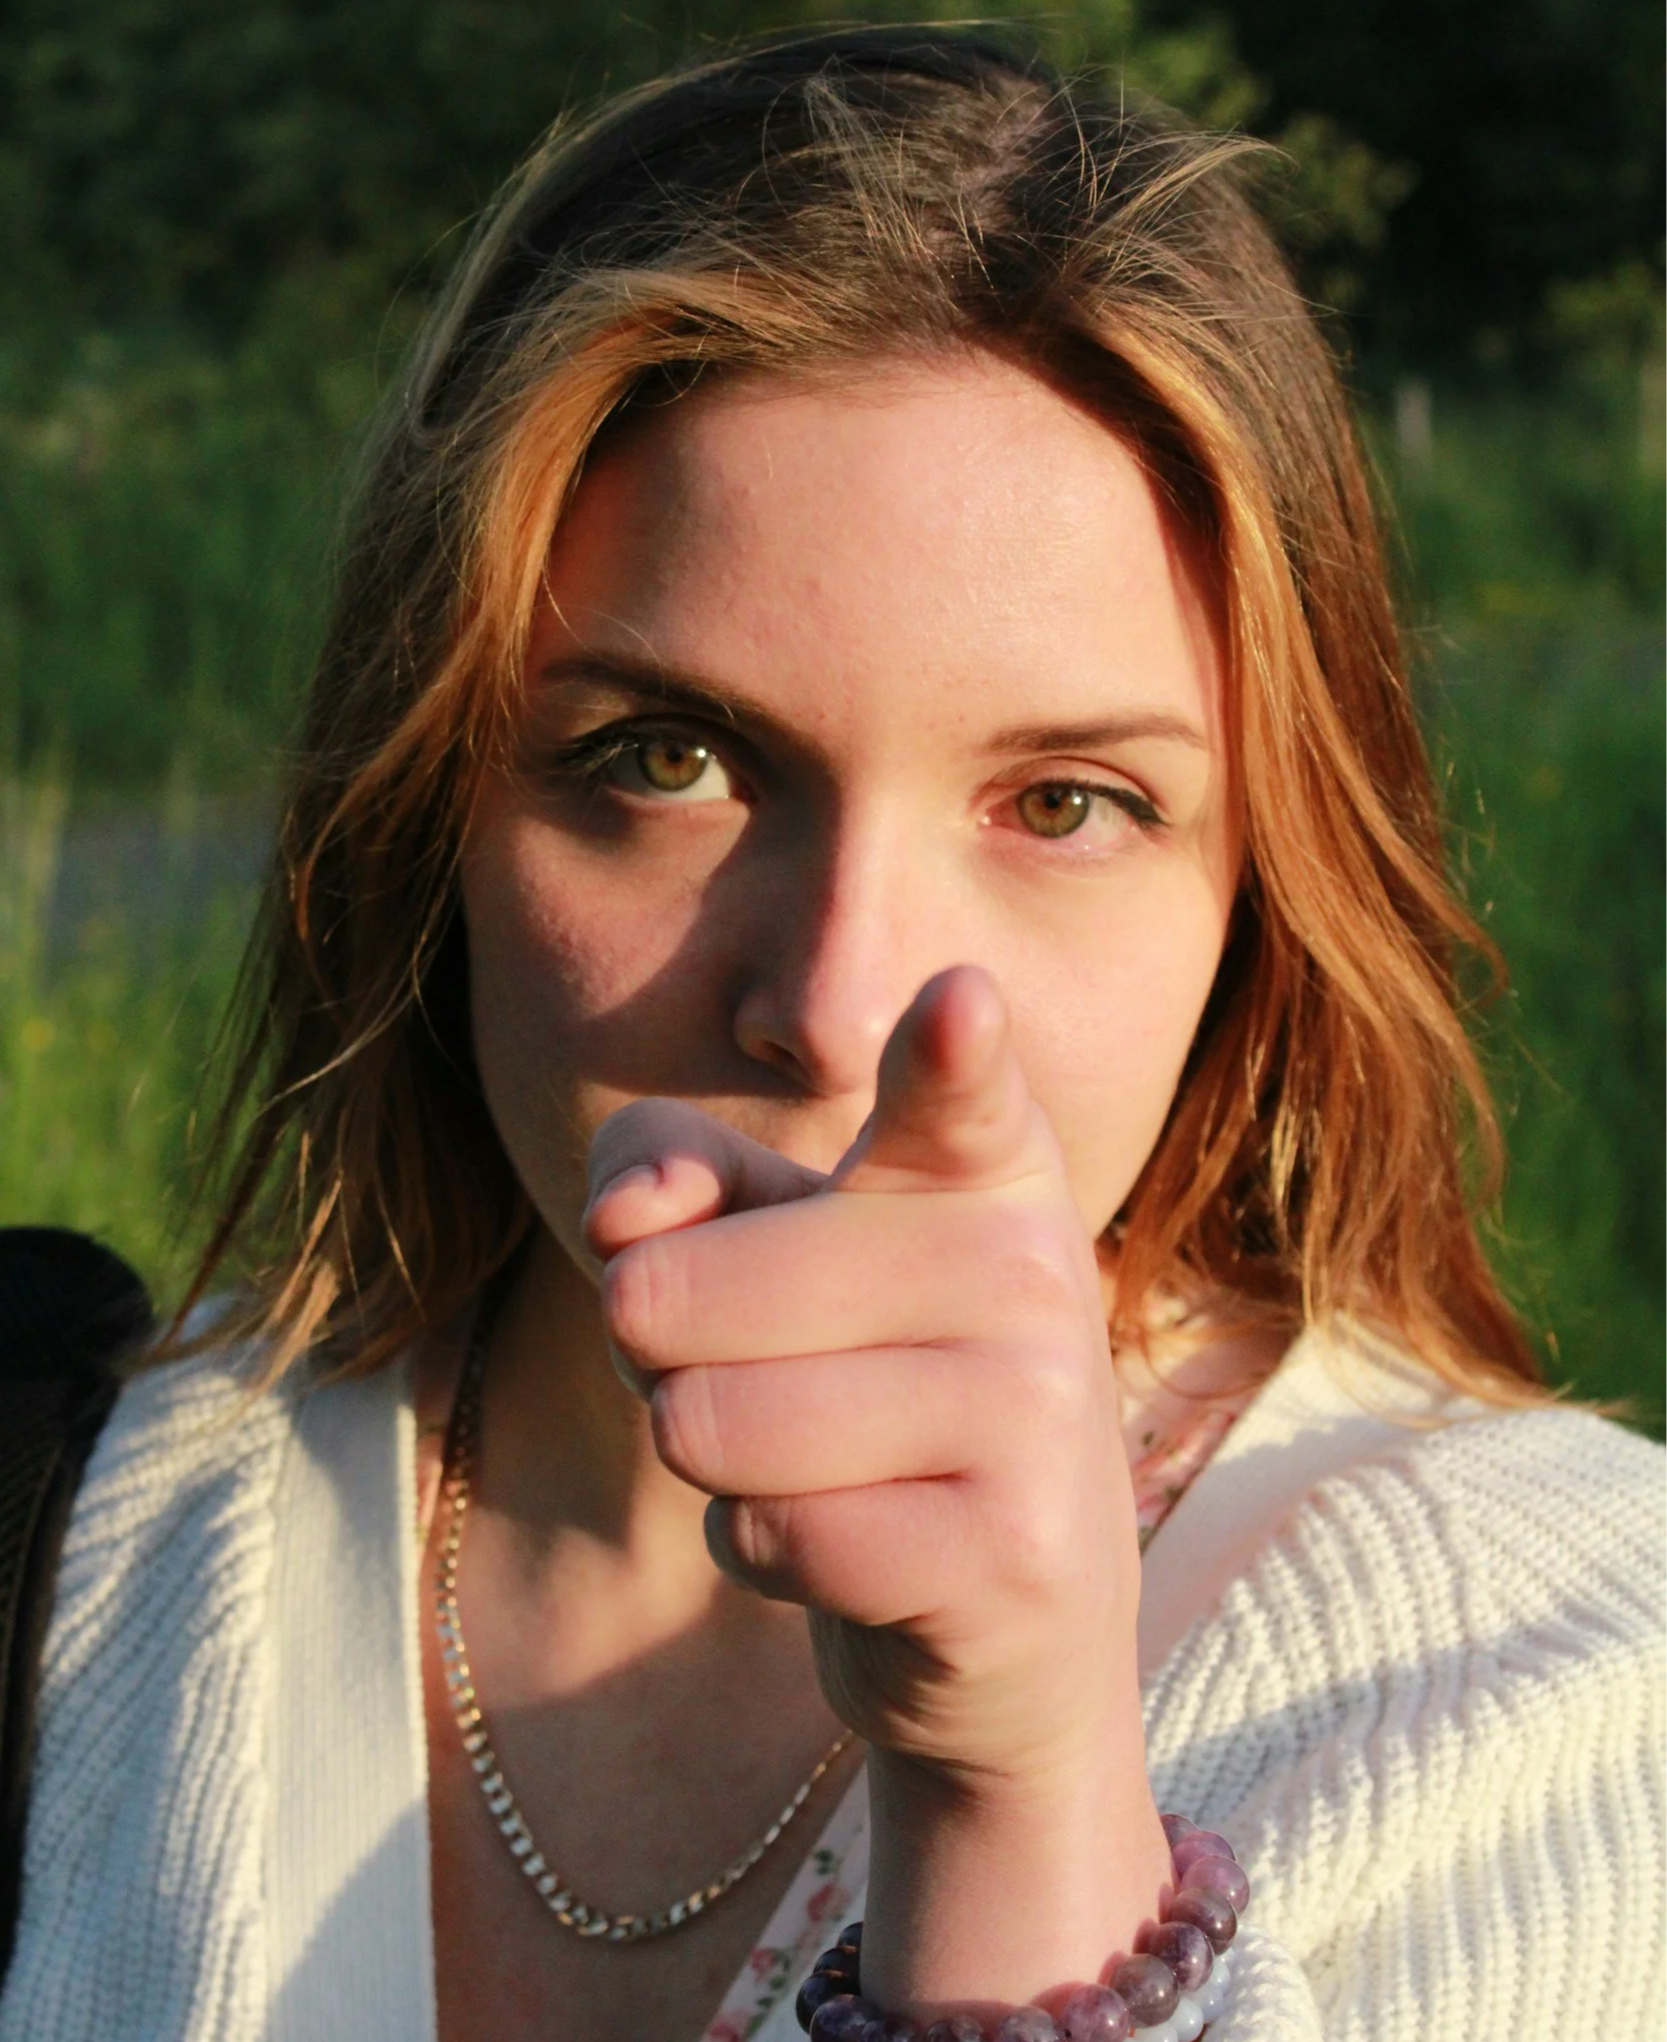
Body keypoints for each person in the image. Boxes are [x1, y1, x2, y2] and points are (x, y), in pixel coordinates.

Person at [3, 26, 1663, 2042]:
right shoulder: (75, 1540)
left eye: (1063, 802)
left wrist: (1017, 1807)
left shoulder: (1568, 1685)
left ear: (1261, 894)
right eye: (668, 758)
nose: (840, 1007)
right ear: (429, 803)